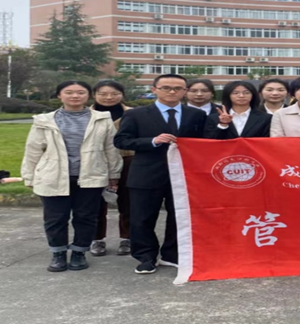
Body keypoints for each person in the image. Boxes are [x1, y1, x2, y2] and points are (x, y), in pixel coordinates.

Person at [21, 81, 122, 272]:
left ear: (88, 95)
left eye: (80, 92)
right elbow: (33, 149)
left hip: (91, 175)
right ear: (59, 95)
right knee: (55, 218)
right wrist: (29, 176)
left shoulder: (101, 119)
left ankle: (79, 253)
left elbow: (111, 149)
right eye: (69, 92)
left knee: (86, 217)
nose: (75, 96)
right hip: (53, 175)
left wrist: (114, 174)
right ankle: (58, 254)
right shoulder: (44, 120)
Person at [114, 74, 206, 275]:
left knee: (179, 216)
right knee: (142, 218)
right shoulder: (136, 114)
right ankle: (145, 256)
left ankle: (171, 255)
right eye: (166, 88)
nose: (172, 92)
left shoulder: (196, 115)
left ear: (185, 91)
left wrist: (222, 125)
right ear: (154, 89)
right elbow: (121, 141)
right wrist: (152, 141)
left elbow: (205, 141)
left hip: (183, 174)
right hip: (146, 173)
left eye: (177, 88)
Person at [90, 80, 134, 257]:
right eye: (103, 94)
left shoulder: (134, 113)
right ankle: (96, 238)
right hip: (95, 161)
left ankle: (128, 238)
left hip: (128, 159)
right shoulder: (86, 114)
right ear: (94, 95)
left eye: (115, 93)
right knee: (95, 203)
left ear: (122, 94)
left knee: (129, 202)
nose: (109, 97)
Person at [205, 80, 272, 139]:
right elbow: (210, 141)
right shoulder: (214, 118)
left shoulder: (265, 118)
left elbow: (266, 141)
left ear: (253, 95)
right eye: (235, 93)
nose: (241, 96)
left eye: (246, 93)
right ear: (228, 95)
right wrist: (223, 124)